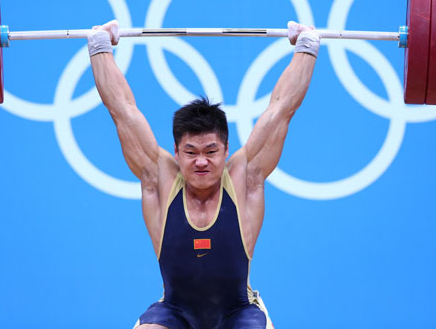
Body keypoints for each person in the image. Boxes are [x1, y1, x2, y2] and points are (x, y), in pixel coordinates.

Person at [88, 20, 320, 329]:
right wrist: (99, 47)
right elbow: (122, 110)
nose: (201, 161)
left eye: (211, 152)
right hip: (175, 311)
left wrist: (306, 47)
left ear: (226, 151)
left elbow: (281, 109)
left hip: (238, 312)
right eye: (191, 152)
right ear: (176, 152)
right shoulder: (159, 179)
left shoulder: (245, 177)